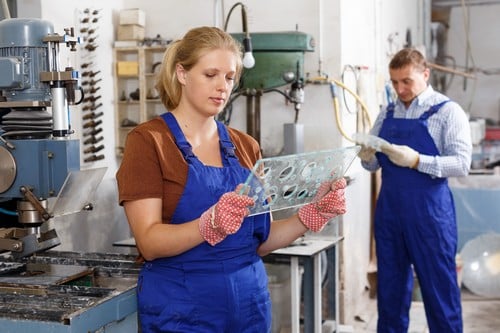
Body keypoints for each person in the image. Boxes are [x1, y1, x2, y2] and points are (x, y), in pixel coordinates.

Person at [116, 26, 347, 333]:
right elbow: (150, 242)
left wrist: (311, 215)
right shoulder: (149, 142)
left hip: (250, 306)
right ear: (182, 74)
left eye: (229, 77)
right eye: (210, 74)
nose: (222, 87)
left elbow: (259, 242)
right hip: (183, 309)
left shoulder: (245, 146)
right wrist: (207, 225)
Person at [359, 47, 472, 332]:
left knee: (439, 292)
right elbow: (373, 167)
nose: (400, 89)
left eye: (406, 81)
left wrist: (419, 160)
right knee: (391, 292)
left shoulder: (448, 112)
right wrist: (367, 157)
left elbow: (461, 164)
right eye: (394, 82)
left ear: (425, 74)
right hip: (390, 214)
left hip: (430, 216)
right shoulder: (387, 113)